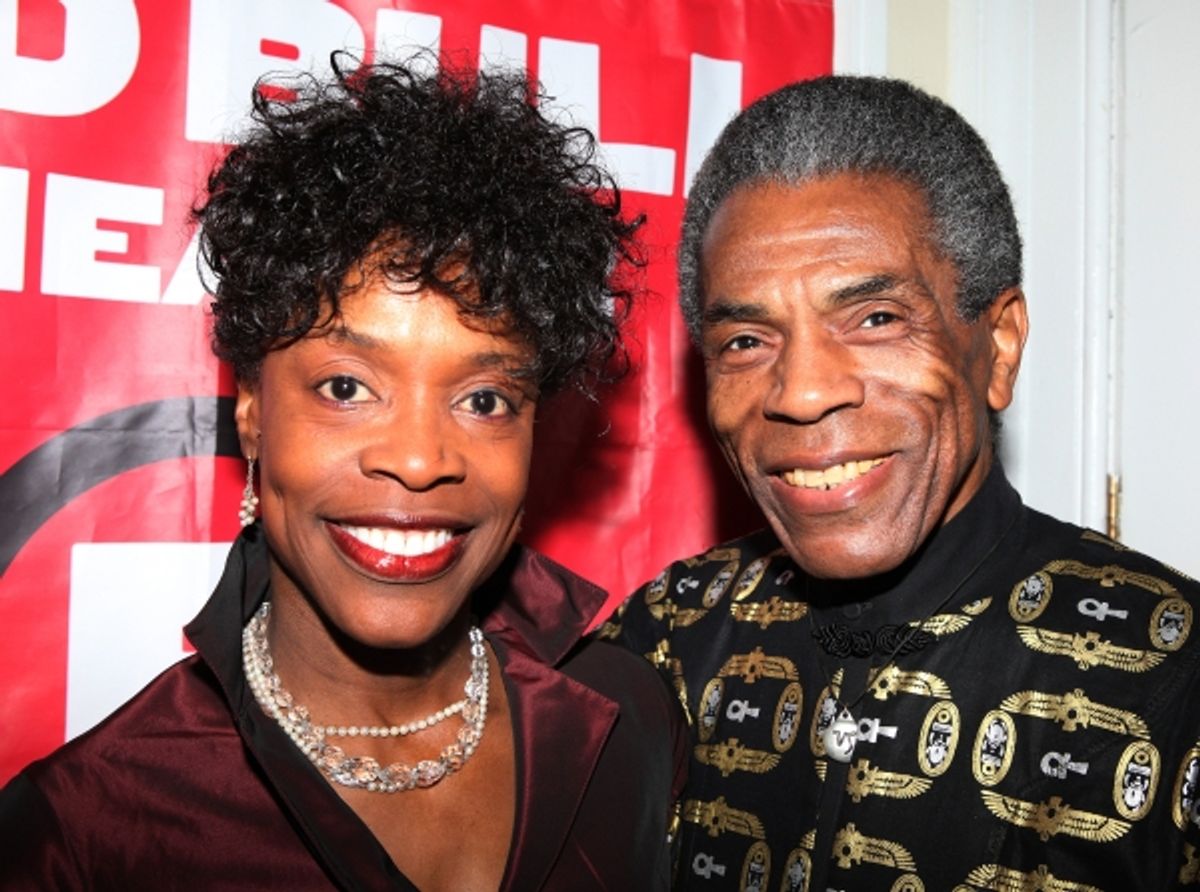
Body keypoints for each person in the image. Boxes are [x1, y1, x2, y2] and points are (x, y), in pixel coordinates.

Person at [0, 56, 685, 891]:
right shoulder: (86, 831)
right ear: (253, 410)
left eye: (484, 398)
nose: (420, 458)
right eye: (346, 387)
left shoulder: (630, 723)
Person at [609, 75, 1200, 890]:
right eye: (746, 339)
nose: (803, 391)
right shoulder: (669, 637)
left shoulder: (1173, 668)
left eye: (876, 318)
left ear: (998, 347)